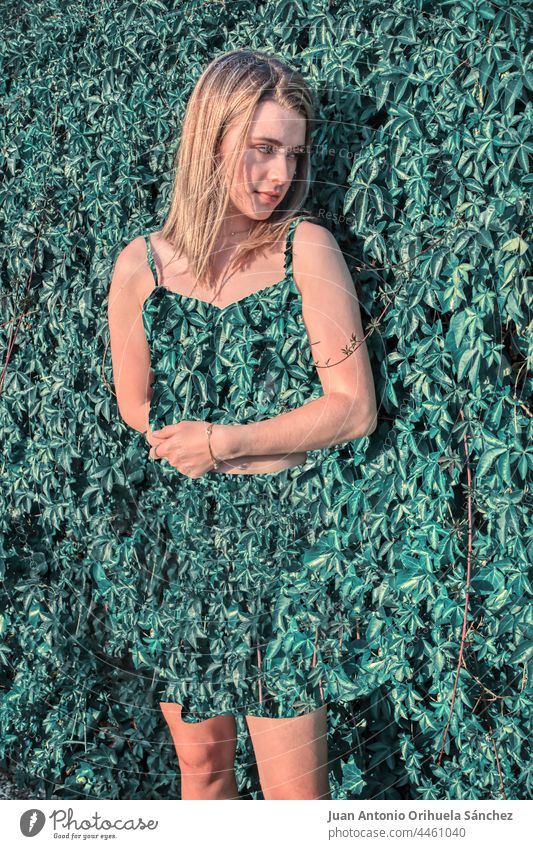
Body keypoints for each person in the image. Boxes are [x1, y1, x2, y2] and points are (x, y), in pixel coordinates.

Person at [107, 48, 377, 800]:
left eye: (291, 153)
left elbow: (352, 405)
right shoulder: (142, 266)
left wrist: (228, 443)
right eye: (263, 149)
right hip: (178, 550)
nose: (280, 175)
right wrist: (177, 448)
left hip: (286, 553)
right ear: (212, 139)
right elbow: (136, 407)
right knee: (203, 768)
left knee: (295, 799)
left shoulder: (304, 250)